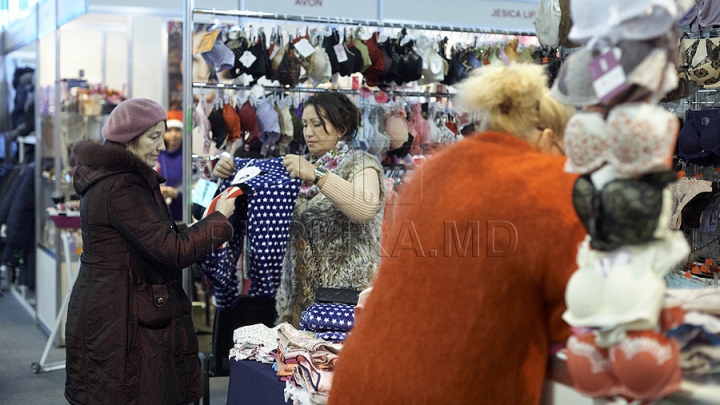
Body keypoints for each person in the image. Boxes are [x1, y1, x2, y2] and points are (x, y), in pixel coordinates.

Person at [328, 63, 586, 405]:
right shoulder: (553, 186)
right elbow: (577, 319)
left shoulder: (435, 170)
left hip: (360, 381)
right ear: (548, 137)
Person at [65, 98, 239, 405]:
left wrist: (195, 225)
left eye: (162, 135)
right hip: (123, 315)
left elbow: (153, 236)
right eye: (153, 137)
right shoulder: (123, 186)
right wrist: (219, 221)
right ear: (129, 139)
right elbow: (172, 250)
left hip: (116, 307)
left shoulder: (115, 178)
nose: (161, 145)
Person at [213, 91, 385, 327]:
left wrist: (317, 176)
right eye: (305, 124)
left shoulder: (361, 164)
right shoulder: (296, 169)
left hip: (344, 303)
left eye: (317, 124)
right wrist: (229, 170)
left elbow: (364, 208)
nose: (308, 132)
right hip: (297, 303)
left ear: (341, 128)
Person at [158, 110, 184, 221]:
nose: (173, 134)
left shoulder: (190, 159)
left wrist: (177, 194)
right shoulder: (155, 156)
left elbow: (199, 196)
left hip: (182, 218)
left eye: (177, 130)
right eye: (169, 130)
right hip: (158, 219)